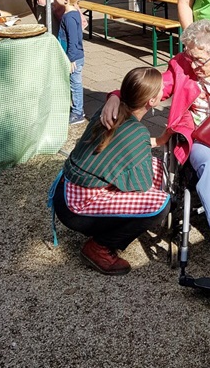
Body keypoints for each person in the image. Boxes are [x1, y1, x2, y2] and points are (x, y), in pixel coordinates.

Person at [102, 20, 210, 289]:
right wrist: (117, 95)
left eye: (199, 59)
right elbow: (152, 87)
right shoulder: (182, 66)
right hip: (204, 137)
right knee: (209, 168)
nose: (193, 65)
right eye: (189, 57)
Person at [51, 67, 170, 276]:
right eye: (161, 89)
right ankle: (99, 247)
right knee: (160, 205)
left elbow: (126, 147)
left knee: (154, 166)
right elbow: (142, 186)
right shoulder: (137, 132)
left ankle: (104, 231)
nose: (164, 91)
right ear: (152, 101)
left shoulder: (108, 110)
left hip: (66, 190)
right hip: (76, 209)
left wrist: (159, 141)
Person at [55, 0, 85, 125]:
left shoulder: (69, 18)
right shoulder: (73, 14)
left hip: (74, 58)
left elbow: (73, 40)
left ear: (66, 0)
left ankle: (78, 112)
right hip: (72, 56)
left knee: (75, 84)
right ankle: (75, 109)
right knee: (72, 83)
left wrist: (71, 59)